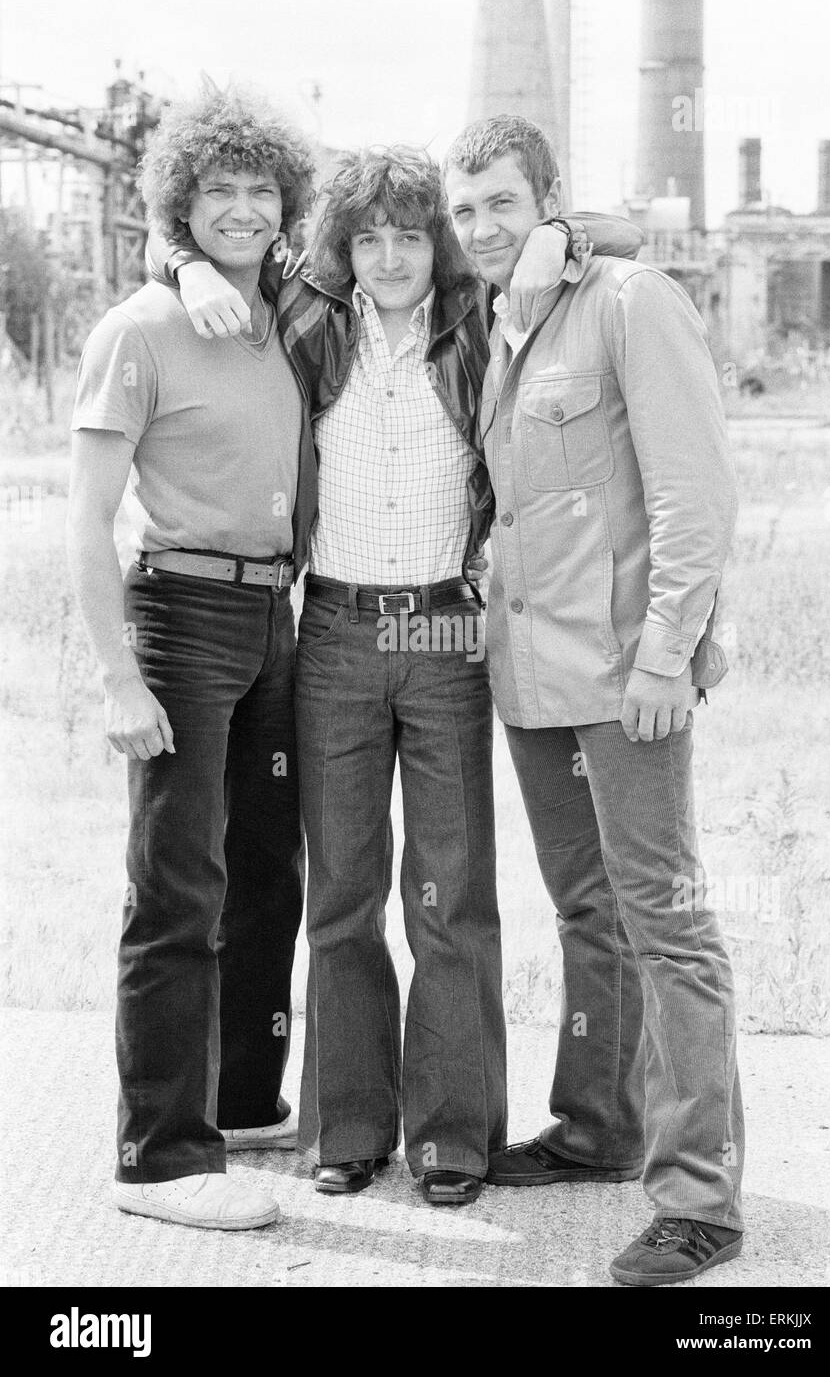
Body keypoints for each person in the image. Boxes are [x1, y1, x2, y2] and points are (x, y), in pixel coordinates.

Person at [155, 144, 642, 1204]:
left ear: (441, 244)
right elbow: (192, 241)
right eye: (368, 236)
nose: (388, 256)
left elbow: (627, 229)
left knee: (452, 893)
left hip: (444, 640)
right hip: (331, 629)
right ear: (343, 245)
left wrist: (562, 231)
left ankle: (454, 1135)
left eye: (410, 235)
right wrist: (185, 268)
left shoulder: (481, 321)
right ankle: (348, 1124)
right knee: (342, 889)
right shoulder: (308, 318)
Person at [443, 114, 744, 1283]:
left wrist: (670, 653)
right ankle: (601, 1128)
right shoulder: (500, 319)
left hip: (628, 678)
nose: (478, 229)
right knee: (588, 911)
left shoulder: (629, 301)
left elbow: (692, 492)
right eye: (464, 210)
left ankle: (701, 1201)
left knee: (666, 920)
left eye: (501, 205)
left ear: (549, 201)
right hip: (532, 680)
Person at [66, 84, 317, 1229]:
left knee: (267, 873)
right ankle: (159, 1158)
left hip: (278, 616)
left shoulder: (293, 316)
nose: (242, 208)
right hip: (181, 613)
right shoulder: (140, 327)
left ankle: (241, 1102)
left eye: (261, 189)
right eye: (217, 189)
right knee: (178, 886)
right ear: (181, 201)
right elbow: (87, 518)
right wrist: (118, 674)